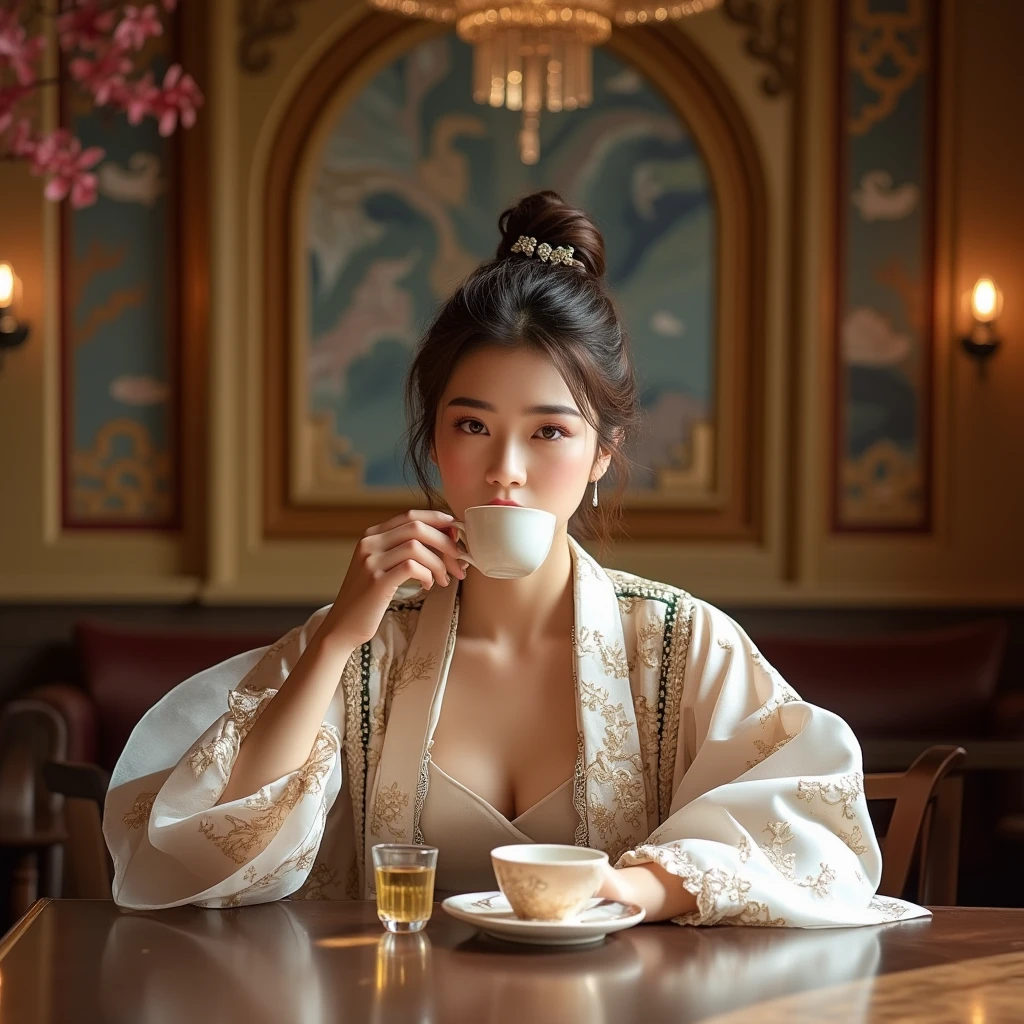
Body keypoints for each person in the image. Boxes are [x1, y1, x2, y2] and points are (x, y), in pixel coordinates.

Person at [103, 191, 926, 927]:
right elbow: (211, 854)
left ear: (603, 454)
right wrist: (334, 641)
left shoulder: (682, 646)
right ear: (434, 441)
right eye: (471, 426)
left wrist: (639, 888)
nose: (506, 468)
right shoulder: (366, 647)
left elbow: (811, 824)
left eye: (549, 432)